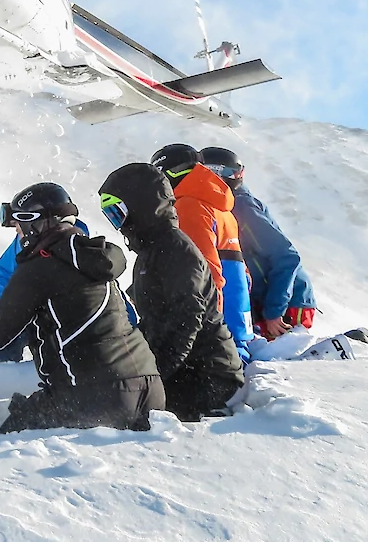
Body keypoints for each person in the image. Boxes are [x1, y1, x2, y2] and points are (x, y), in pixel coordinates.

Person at [0, 182, 164, 433]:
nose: (19, 235)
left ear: (35, 224)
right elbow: (42, 311)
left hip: (93, 398)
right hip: (150, 392)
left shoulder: (40, 267)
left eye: (19, 228)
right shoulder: (91, 257)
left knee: (1, 447)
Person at [98, 163, 245, 421]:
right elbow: (155, 321)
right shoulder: (151, 251)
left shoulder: (176, 250)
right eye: (110, 216)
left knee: (122, 412)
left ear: (140, 206)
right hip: (185, 368)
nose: (118, 225)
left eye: (118, 213)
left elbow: (187, 319)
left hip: (208, 374)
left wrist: (155, 372)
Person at [199, 147, 318, 341]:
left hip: (287, 303)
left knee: (277, 358)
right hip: (261, 301)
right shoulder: (221, 207)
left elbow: (287, 257)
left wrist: (274, 311)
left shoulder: (241, 208)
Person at [150, 143, 254, 362]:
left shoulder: (189, 206)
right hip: (235, 328)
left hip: (215, 338)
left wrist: (202, 334)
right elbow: (243, 275)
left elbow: (203, 274)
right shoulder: (221, 208)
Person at [0, 210, 92, 363]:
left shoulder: (86, 257)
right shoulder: (27, 243)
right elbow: (3, 273)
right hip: (31, 319)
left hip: (73, 340)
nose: (17, 230)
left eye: (20, 225)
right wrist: (2, 314)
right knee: (0, 341)